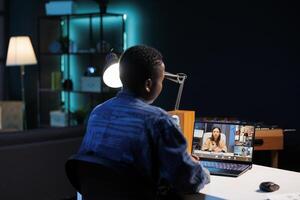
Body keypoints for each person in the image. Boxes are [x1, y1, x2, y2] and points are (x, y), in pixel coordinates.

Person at [76, 45, 210, 197]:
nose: (162, 85)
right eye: (161, 81)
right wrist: (199, 169)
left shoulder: (97, 113)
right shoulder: (159, 121)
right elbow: (188, 180)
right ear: (148, 85)